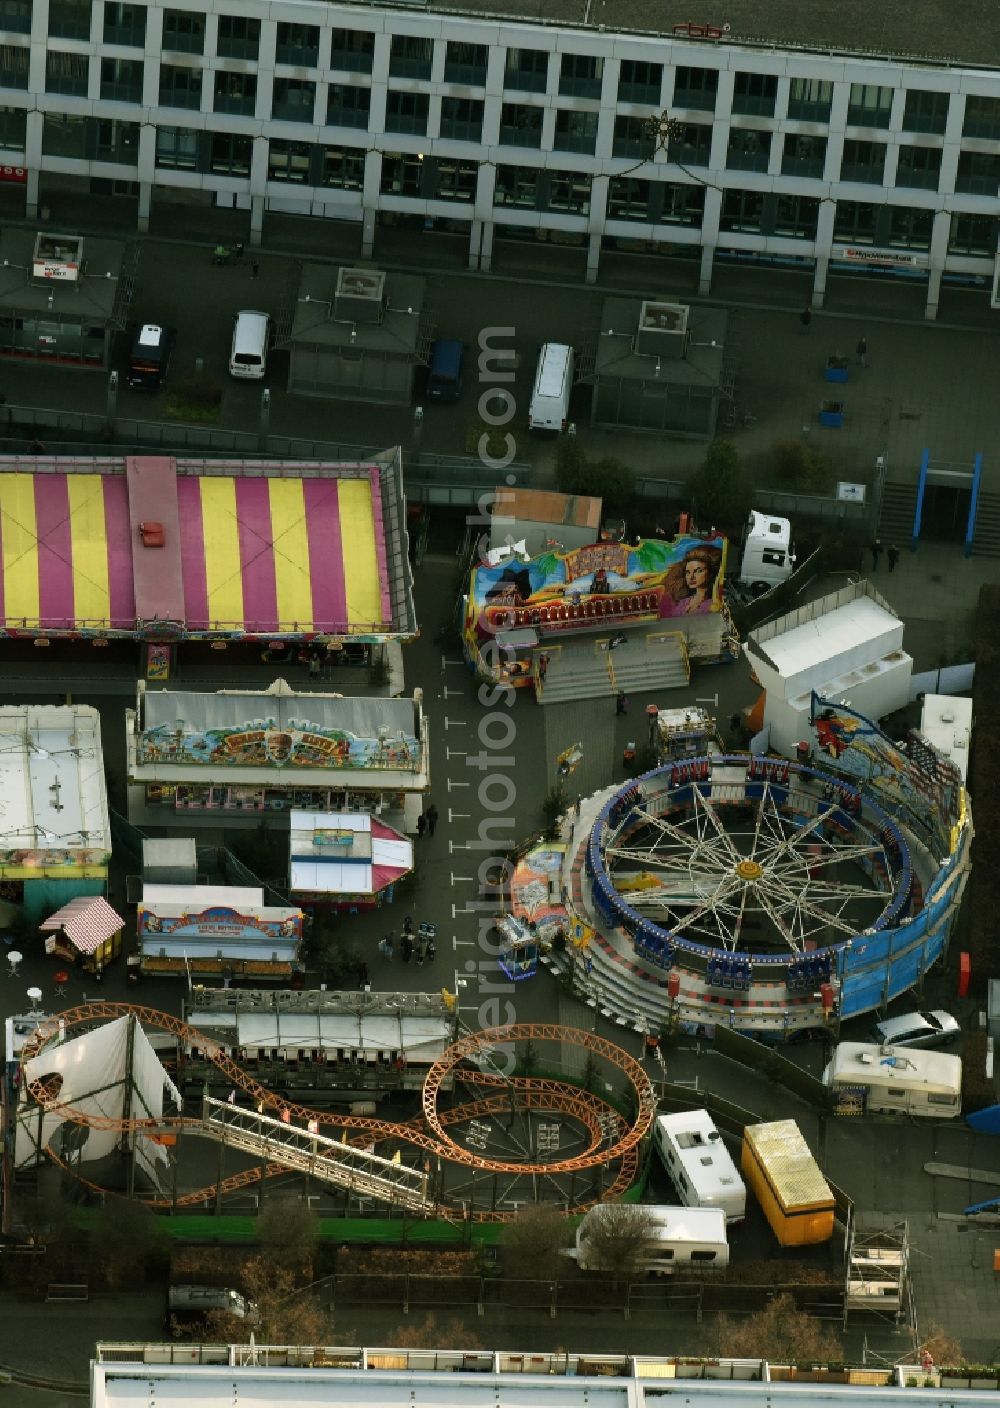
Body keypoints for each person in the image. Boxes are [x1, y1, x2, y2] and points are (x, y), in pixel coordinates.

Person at [662, 545, 723, 616]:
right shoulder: (683, 603)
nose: (691, 577)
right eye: (688, 572)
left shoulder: (714, 604)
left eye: (698, 571)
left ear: (711, 572)